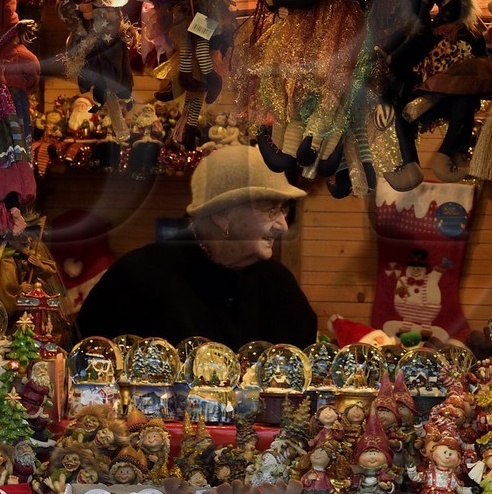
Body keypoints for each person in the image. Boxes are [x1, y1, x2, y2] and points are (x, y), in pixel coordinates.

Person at [75, 145, 316, 348]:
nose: (283, 226)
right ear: (223, 214)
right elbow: (87, 362)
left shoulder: (280, 285)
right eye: (271, 209)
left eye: (284, 210)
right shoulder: (138, 277)